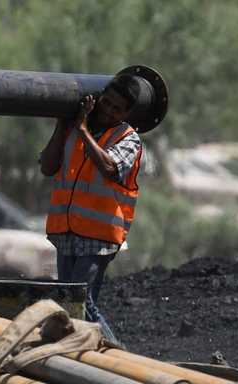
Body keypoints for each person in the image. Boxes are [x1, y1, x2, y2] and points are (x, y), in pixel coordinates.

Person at [38, 73, 142, 345]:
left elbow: (110, 168)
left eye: (116, 109)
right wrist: (63, 125)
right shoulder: (72, 129)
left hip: (98, 235)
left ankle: (118, 357)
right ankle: (86, 356)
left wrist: (83, 129)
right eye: (106, 102)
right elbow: (48, 167)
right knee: (71, 304)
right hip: (67, 231)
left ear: (127, 113)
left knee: (81, 304)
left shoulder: (128, 138)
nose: (108, 111)